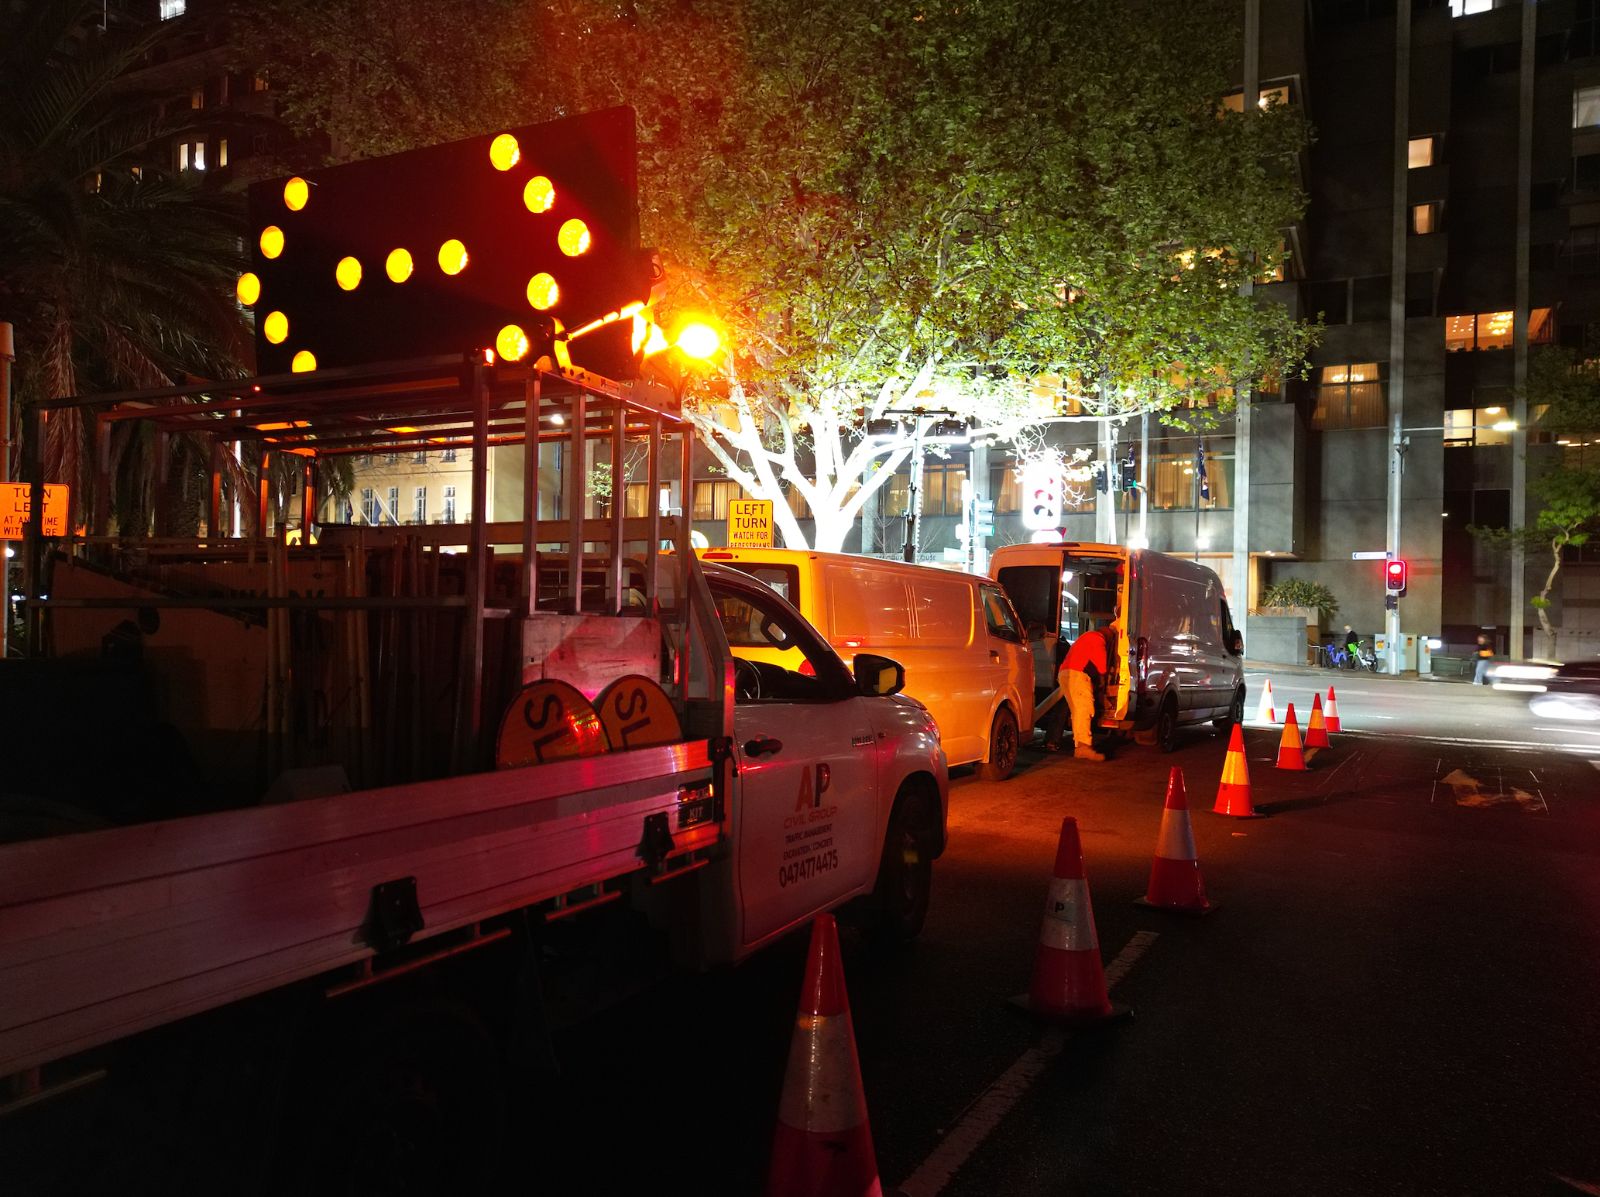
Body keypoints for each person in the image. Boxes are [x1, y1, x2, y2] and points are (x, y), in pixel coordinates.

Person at [1058, 619, 1119, 762]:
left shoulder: (1087, 636)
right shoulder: (1099, 640)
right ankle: (1083, 747)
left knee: (1077, 712)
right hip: (1077, 674)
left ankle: (1079, 745)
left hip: (1065, 674)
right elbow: (1102, 667)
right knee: (1084, 710)